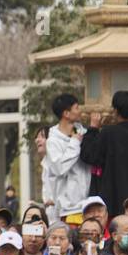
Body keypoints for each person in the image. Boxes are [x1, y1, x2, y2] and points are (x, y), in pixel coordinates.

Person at [78, 91, 128, 219]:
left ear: (115, 111)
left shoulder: (108, 134)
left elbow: (89, 155)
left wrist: (93, 129)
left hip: (112, 205)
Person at [41, 93, 92, 226]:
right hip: (68, 209)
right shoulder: (53, 141)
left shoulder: (83, 133)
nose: (79, 111)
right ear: (66, 114)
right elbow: (59, 168)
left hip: (89, 205)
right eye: (76, 108)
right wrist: (74, 143)